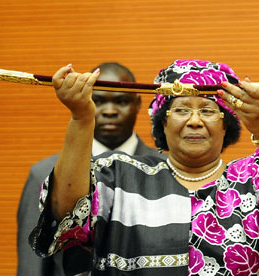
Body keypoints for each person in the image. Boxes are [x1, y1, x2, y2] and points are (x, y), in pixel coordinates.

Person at [29, 59, 259, 275]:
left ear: (228, 126)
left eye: (209, 111)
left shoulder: (253, 178)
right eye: (181, 109)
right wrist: (81, 119)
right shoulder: (117, 175)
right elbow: (66, 216)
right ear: (163, 124)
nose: (194, 121)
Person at [17, 62, 164, 276]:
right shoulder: (45, 172)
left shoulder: (164, 169)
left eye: (121, 101)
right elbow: (32, 264)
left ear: (138, 104)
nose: (110, 111)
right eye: (98, 101)